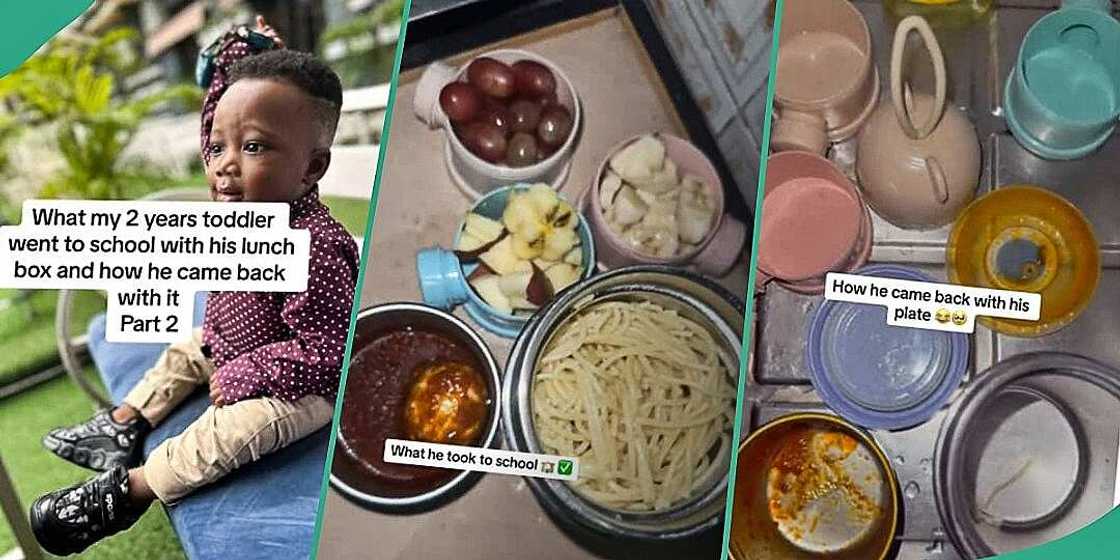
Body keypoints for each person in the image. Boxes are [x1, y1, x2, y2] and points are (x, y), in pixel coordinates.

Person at [28, 17, 359, 555]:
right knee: (185, 351)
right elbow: (222, 120)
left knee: (232, 430)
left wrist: (246, 371)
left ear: (310, 169)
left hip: (302, 387)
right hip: (232, 340)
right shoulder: (247, 200)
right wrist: (236, 55)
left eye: (253, 148)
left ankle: (128, 493)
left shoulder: (314, 246)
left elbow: (330, 353)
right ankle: (122, 424)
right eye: (219, 149)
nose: (225, 165)